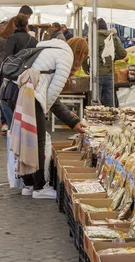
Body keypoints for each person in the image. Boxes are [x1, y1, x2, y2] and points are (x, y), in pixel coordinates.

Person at [9, 37, 86, 199]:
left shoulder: (49, 48)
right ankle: (39, 187)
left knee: (25, 140)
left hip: (18, 91)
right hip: (32, 96)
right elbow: (53, 93)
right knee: (37, 142)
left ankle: (28, 183)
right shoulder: (66, 56)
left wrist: (70, 120)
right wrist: (46, 112)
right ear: (80, 53)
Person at [95, 18, 127, 107]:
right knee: (109, 101)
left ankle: (96, 119)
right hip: (109, 73)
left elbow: (87, 55)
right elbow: (123, 54)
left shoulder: (92, 38)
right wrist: (111, 59)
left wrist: (87, 69)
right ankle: (111, 119)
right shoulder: (112, 38)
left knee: (96, 101)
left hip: (96, 73)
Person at [0, 17, 16, 135]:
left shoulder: (5, 38)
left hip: (5, 70)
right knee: (5, 97)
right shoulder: (9, 39)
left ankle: (5, 123)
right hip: (8, 71)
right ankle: (7, 123)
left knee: (4, 97)